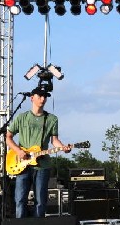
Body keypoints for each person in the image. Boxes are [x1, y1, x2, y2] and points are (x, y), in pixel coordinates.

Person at [5, 85, 71, 217]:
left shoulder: (52, 119)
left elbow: (54, 140)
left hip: (42, 165)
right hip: (22, 164)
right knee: (20, 199)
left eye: (45, 96)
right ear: (32, 98)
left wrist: (63, 147)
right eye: (40, 95)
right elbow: (8, 137)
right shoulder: (21, 117)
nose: (43, 98)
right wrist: (18, 151)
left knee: (40, 200)